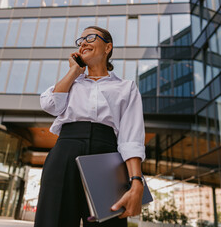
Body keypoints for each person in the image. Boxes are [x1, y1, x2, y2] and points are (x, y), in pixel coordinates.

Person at [34, 26, 146, 227]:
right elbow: (50, 105)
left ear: (107, 47)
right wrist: (74, 71)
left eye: (91, 37)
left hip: (108, 158)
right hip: (65, 154)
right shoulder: (71, 84)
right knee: (53, 220)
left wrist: (136, 181)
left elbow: (131, 138)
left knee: (108, 222)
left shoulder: (126, 87)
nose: (83, 42)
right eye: (81, 40)